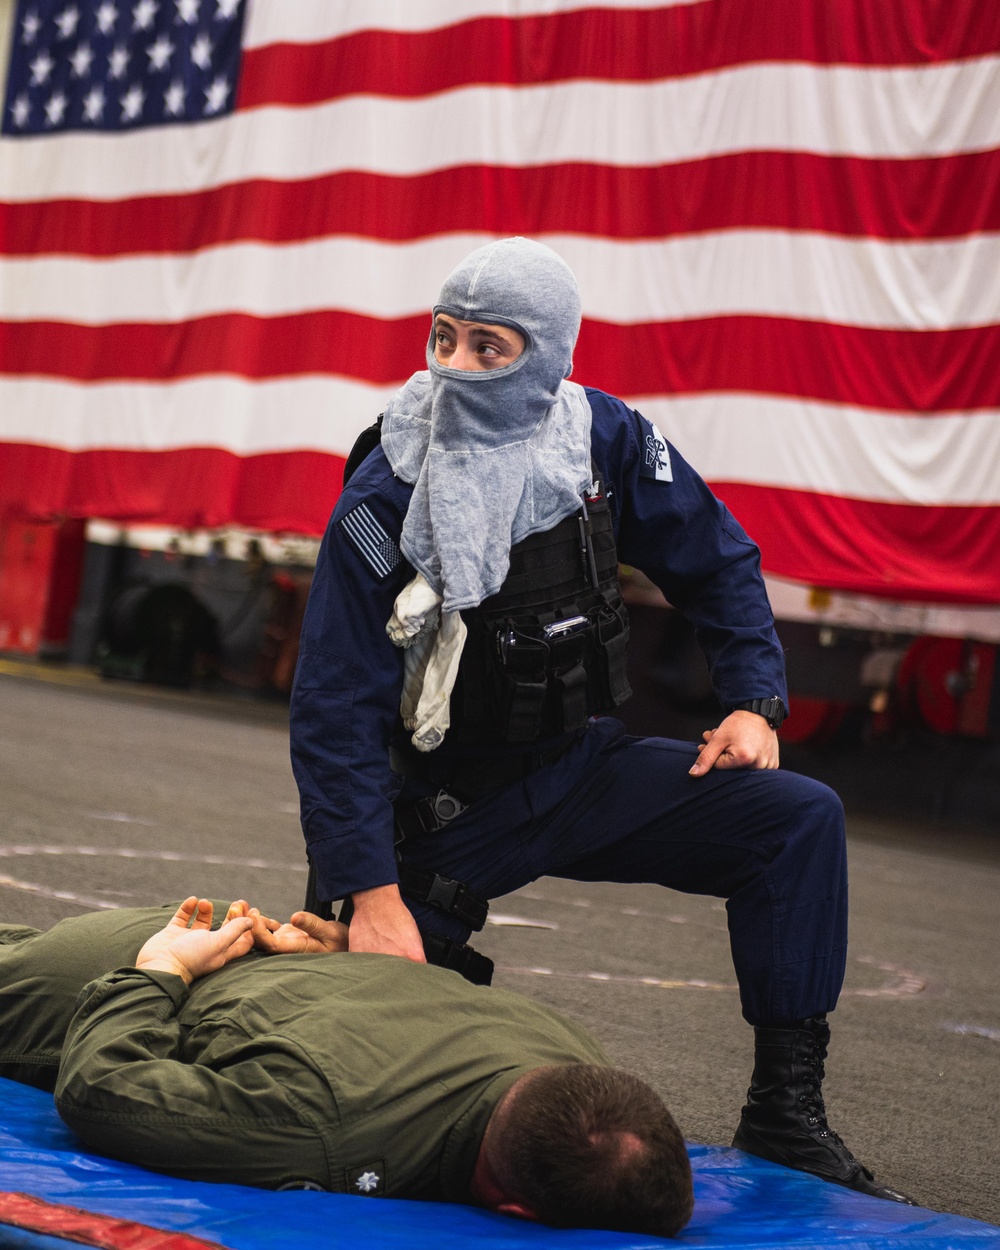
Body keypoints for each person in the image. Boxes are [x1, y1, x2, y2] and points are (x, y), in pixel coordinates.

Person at [290, 237, 912, 1204]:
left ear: (549, 356)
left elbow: (717, 558)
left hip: (581, 769)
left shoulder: (603, 439)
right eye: (443, 339)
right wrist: (368, 895)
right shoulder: (388, 492)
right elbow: (333, 709)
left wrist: (755, 701)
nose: (454, 367)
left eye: (489, 349)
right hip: (446, 809)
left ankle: (786, 1115)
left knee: (795, 818)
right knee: (362, 1105)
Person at [0, 898, 693, 1237]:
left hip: (238, 938)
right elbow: (104, 1089)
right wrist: (158, 972)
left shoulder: (574, 1056)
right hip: (124, 970)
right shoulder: (329, 1127)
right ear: (511, 1211)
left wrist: (342, 966)